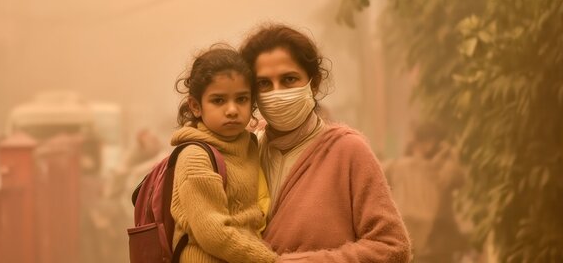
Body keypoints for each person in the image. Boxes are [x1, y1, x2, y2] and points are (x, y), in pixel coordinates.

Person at [239, 23, 412, 262]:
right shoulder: (243, 151)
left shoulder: (348, 151)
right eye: (264, 84)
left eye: (289, 79)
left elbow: (393, 247)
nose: (277, 93)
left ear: (315, 82)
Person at [170, 45, 277, 263]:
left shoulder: (250, 145)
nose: (232, 110)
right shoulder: (195, 157)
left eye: (241, 99)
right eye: (218, 100)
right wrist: (271, 260)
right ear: (196, 106)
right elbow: (213, 234)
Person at [385, 121, 468, 262]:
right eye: (422, 141)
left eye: (429, 140)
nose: (425, 146)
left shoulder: (445, 163)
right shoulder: (406, 162)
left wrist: (448, 158)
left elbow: (455, 178)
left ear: (437, 141)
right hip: (414, 232)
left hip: (439, 233)